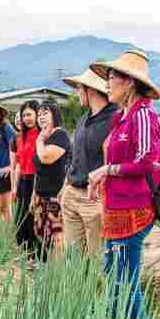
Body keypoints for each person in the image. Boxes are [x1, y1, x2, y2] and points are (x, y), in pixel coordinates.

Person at [87, 50, 160, 319]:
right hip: (115, 209)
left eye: (111, 78)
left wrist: (107, 171)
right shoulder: (121, 117)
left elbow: (147, 161)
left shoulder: (143, 115)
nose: (106, 85)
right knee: (114, 277)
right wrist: (102, 178)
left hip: (133, 210)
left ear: (129, 82)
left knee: (125, 282)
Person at [60, 69, 116, 257]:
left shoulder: (115, 119)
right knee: (72, 258)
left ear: (90, 90)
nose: (77, 94)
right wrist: (66, 186)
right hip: (72, 194)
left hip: (95, 199)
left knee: (96, 260)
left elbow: (113, 161)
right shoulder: (84, 119)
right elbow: (75, 156)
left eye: (78, 89)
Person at [31, 101, 71, 262]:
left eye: (45, 113)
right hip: (40, 194)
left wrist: (39, 140)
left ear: (55, 114)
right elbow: (39, 169)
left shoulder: (59, 135)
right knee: (42, 233)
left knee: (57, 236)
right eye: (39, 114)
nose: (41, 117)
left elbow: (46, 158)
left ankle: (58, 274)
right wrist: (34, 194)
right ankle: (51, 269)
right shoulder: (44, 137)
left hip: (55, 195)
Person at [10, 100, 41, 258]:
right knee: (20, 219)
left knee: (33, 218)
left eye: (29, 114)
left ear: (37, 114)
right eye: (24, 115)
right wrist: (14, 187)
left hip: (37, 180)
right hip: (22, 180)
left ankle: (35, 256)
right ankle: (26, 253)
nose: (26, 118)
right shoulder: (19, 137)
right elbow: (17, 164)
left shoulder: (43, 136)